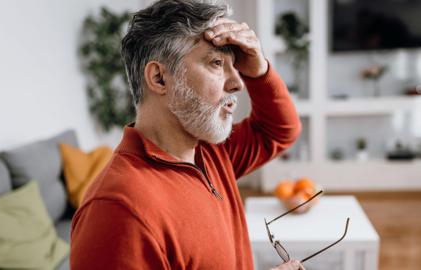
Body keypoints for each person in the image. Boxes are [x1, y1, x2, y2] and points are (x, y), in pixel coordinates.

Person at [70, 0, 304, 269]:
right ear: (159, 78)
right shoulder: (119, 210)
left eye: (235, 65)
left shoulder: (211, 153)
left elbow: (278, 131)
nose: (238, 82)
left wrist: (260, 69)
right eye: (216, 63)